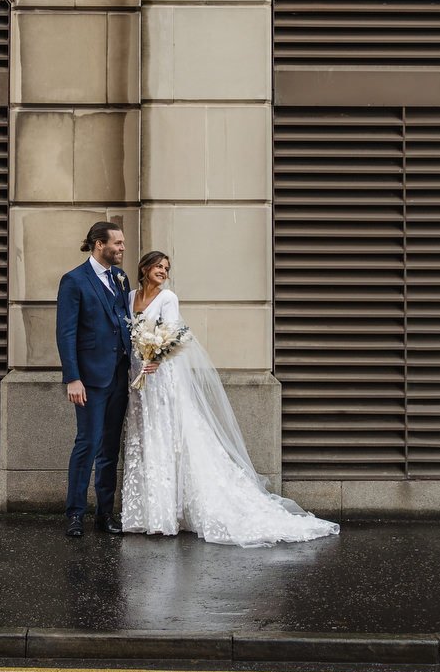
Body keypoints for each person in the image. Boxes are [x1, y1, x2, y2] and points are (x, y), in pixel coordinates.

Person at [121, 250, 339, 548]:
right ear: (144, 268)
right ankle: (142, 515)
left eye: (167, 268)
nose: (163, 271)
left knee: (165, 437)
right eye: (158, 266)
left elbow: (173, 338)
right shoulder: (129, 295)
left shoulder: (168, 297)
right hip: (138, 379)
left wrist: (157, 358)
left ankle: (163, 517)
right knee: (143, 439)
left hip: (161, 378)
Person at [55, 221, 132, 538]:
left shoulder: (120, 279)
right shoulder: (74, 281)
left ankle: (104, 514)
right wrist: (73, 378)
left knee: (110, 449)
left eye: (123, 243)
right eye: (117, 243)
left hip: (119, 376)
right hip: (89, 379)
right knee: (87, 444)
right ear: (99, 244)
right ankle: (75, 514)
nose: (122, 248)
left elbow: (124, 322)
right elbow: (66, 333)